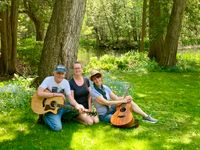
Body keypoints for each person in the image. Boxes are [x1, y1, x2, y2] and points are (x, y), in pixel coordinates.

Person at [90, 69, 158, 124]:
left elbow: (116, 98)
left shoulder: (105, 87)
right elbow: (106, 102)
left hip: (111, 109)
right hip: (104, 115)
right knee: (121, 121)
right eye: (94, 78)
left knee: (129, 101)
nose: (97, 80)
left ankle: (146, 117)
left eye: (98, 77)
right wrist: (123, 100)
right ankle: (123, 117)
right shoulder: (93, 92)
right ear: (92, 80)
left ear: (101, 77)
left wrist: (125, 98)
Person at [37, 64, 85, 131]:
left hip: (61, 107)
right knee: (57, 128)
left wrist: (77, 105)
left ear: (64, 75)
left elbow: (70, 97)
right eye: (58, 73)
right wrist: (56, 95)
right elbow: (39, 93)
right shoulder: (48, 79)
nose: (60, 75)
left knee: (76, 110)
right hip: (50, 108)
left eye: (62, 73)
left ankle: (61, 118)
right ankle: (45, 117)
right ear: (54, 72)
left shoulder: (65, 82)